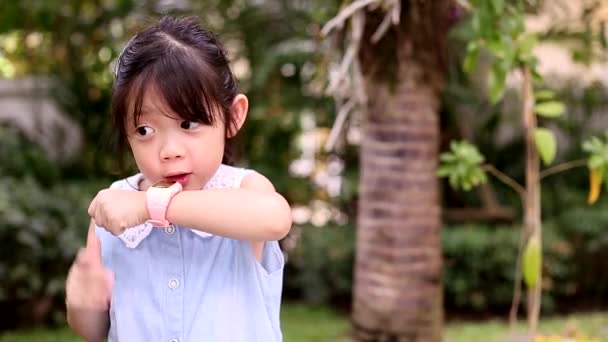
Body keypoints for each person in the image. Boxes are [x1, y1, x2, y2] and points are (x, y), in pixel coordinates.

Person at [65, 16, 292, 342]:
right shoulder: (113, 209)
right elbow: (96, 332)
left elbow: (275, 218)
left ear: (233, 117)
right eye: (145, 131)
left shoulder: (244, 190)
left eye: (188, 124)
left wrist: (151, 205)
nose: (169, 151)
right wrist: (83, 303)